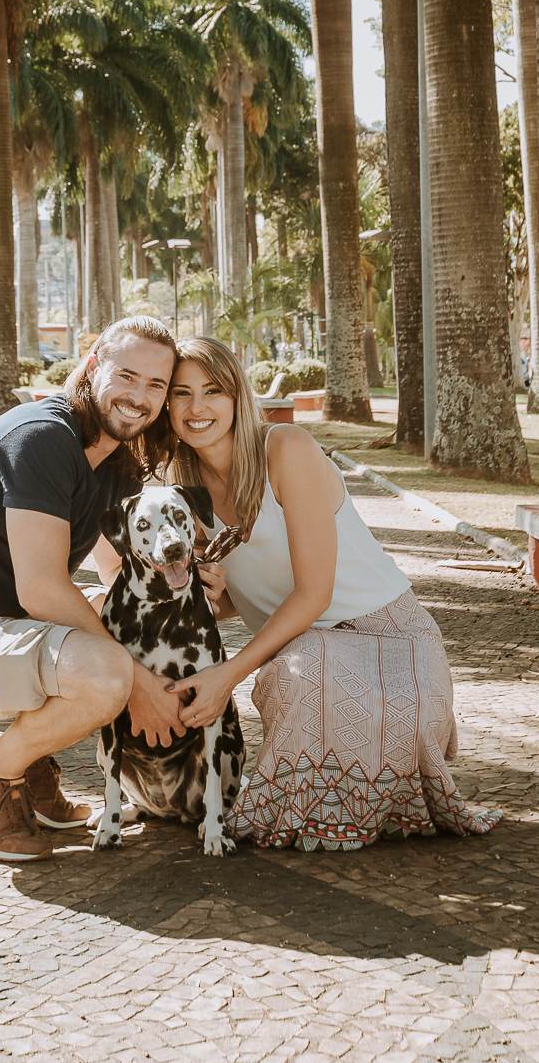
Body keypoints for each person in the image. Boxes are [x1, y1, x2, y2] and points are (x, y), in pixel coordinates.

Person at [164, 337, 501, 850]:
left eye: (213, 390)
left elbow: (314, 594)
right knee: (301, 666)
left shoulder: (287, 448)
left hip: (391, 639)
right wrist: (217, 596)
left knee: (300, 672)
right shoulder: (181, 484)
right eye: (181, 393)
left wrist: (227, 676)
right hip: (306, 647)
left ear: (237, 396)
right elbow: (243, 597)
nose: (197, 408)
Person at [0, 316, 193, 863]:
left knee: (122, 626)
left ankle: (33, 769)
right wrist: (141, 684)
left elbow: (114, 575)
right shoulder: (43, 436)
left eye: (156, 385)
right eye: (127, 376)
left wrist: (188, 597)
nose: (139, 397)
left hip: (3, 639)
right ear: (94, 367)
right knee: (108, 671)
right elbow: (42, 589)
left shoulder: (115, 463)